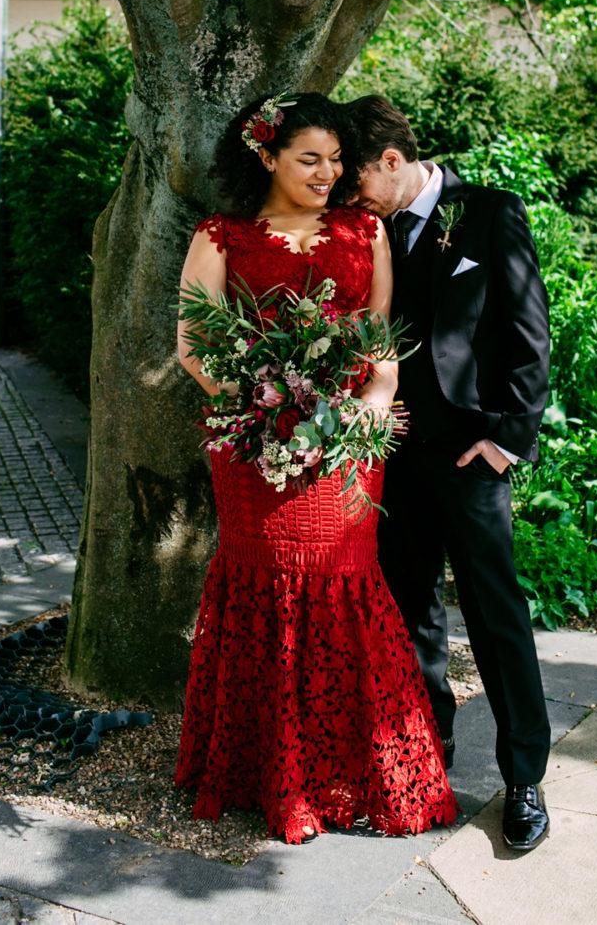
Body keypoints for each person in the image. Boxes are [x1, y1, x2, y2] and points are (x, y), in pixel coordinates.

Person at [174, 91, 457, 843]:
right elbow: (195, 347)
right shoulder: (222, 235)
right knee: (262, 583)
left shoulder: (365, 229)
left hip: (347, 446)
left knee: (347, 583)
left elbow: (379, 331)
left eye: (335, 160)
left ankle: (349, 769)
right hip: (254, 447)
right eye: (309, 159)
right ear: (267, 156)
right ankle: (262, 771)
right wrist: (265, 406)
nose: (327, 173)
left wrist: (377, 397)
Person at [348, 94, 552, 852]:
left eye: (358, 179)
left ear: (392, 161)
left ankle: (523, 777)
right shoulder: (369, 230)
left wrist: (508, 441)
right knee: (409, 614)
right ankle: (424, 756)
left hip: (471, 455)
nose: (350, 195)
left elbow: (531, 334)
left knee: (497, 617)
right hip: (397, 457)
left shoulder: (491, 212)